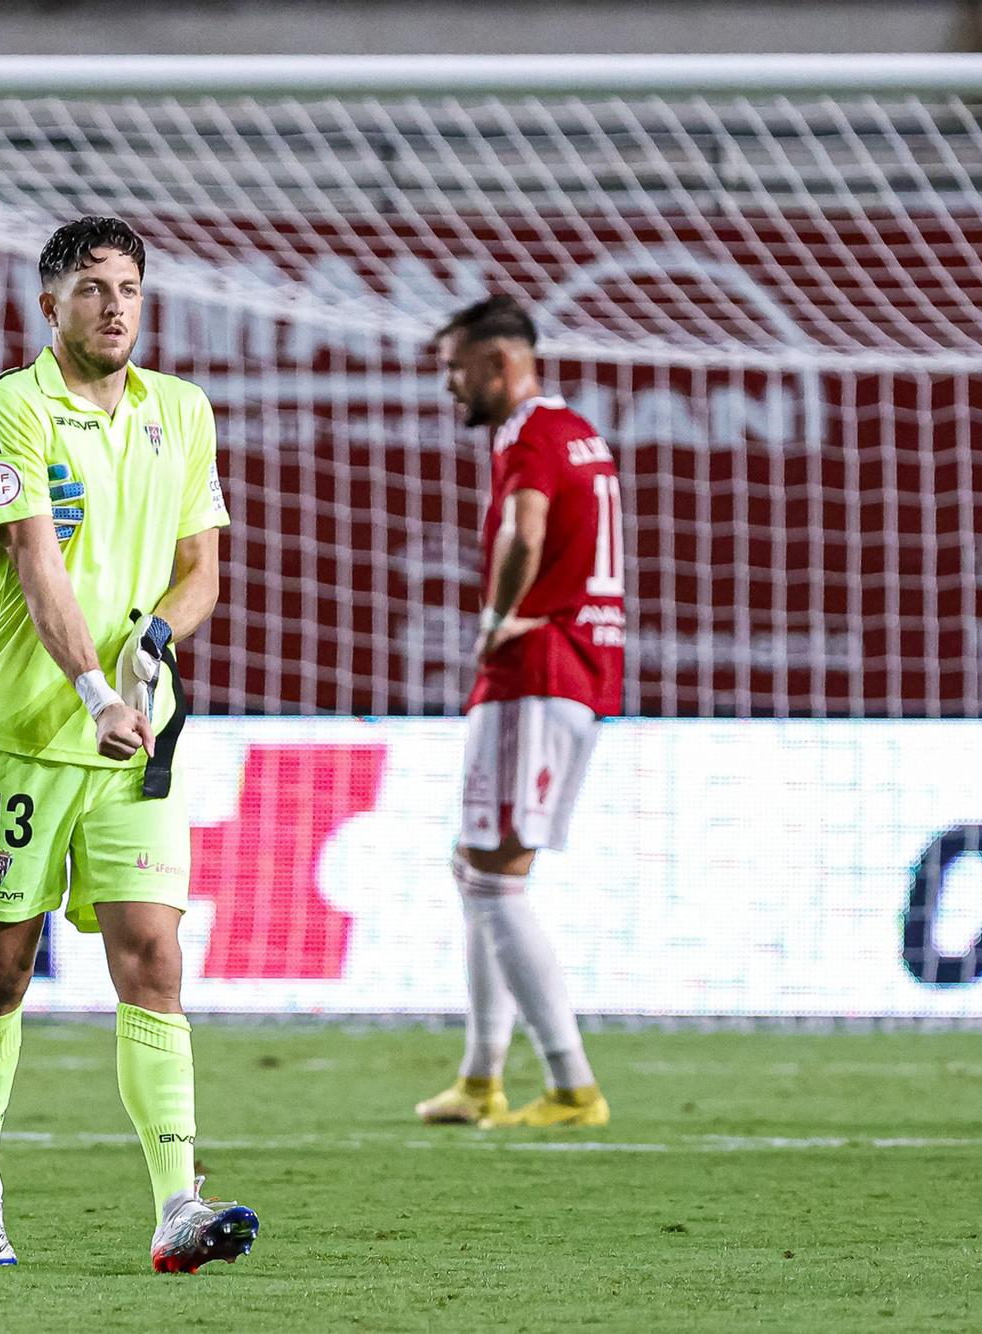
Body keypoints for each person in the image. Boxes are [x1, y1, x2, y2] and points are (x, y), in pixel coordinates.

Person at [0, 216, 256, 1271]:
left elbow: (200, 564)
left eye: (126, 286)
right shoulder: (10, 409)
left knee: (153, 958)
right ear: (50, 305)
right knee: (1, 970)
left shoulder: (182, 410)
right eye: (90, 288)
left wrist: (157, 640)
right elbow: (33, 563)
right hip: (27, 737)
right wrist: (89, 688)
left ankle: (178, 1203)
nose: (113, 305)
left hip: (135, 742)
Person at [414, 295, 623, 1130]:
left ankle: (572, 1085)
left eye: (455, 371)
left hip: (536, 668)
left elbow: (525, 533)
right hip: (578, 667)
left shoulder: (527, 435)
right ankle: (479, 1077)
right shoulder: (581, 431)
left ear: (499, 364)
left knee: (494, 879)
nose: (449, 389)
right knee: (479, 869)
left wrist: (496, 619)